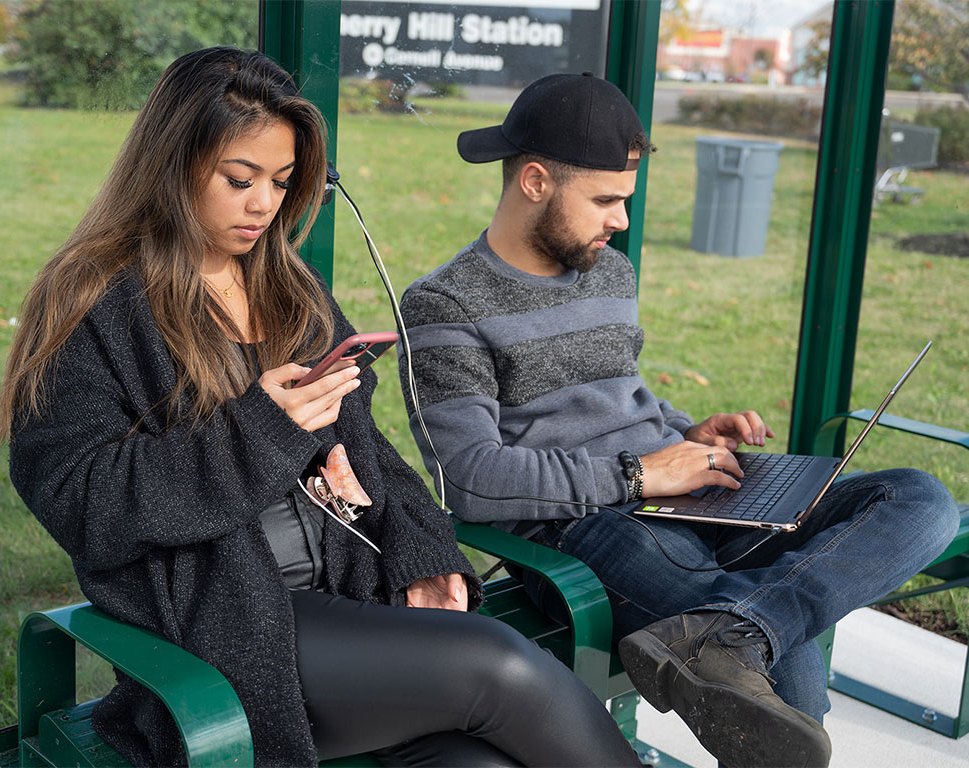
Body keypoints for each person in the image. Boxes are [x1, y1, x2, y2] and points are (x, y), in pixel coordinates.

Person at [0, 50, 644, 768]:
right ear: (172, 164)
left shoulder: (287, 287)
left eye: (280, 182)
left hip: (351, 601)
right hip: (226, 634)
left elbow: (376, 457)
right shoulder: (95, 302)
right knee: (500, 666)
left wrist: (425, 558)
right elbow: (83, 501)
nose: (263, 205)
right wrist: (262, 433)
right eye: (239, 180)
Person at [397, 72, 960, 768]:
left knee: (920, 499)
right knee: (791, 682)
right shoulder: (442, 306)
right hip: (586, 528)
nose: (621, 221)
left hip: (689, 490)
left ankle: (740, 628)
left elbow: (621, 393)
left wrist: (686, 432)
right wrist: (640, 474)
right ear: (536, 181)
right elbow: (470, 477)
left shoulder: (608, 273)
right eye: (605, 200)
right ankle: (743, 630)